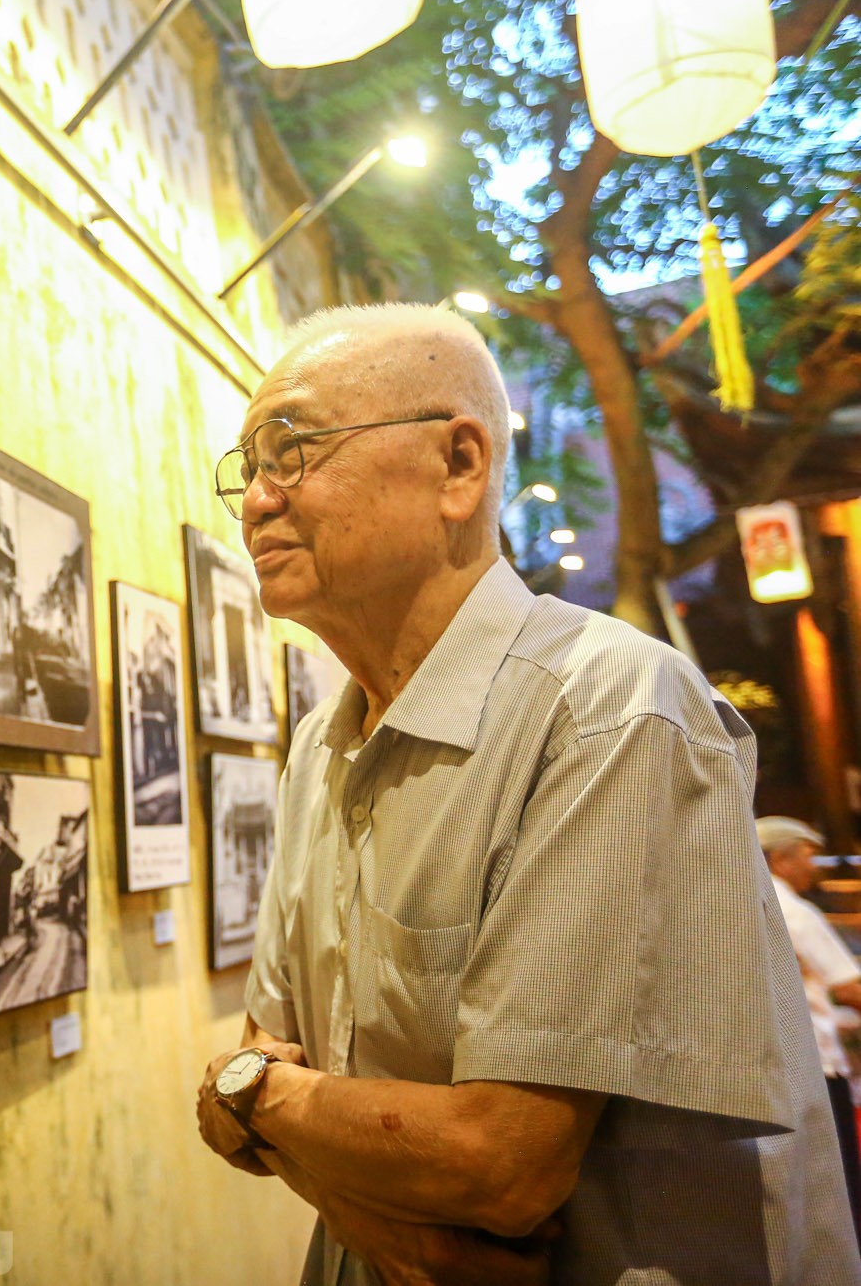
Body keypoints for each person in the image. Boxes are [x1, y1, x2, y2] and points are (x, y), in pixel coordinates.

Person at [191, 304, 858, 1284]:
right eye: (245, 468)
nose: (254, 501)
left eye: (288, 450)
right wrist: (336, 1184)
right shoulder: (320, 747)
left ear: (460, 467)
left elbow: (498, 1164)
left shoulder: (609, 708)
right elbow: (261, 1072)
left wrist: (249, 1093)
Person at [761, 815, 861, 1236]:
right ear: (781, 860)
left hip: (774, 1070)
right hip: (816, 1063)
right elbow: (850, 986)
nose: (813, 867)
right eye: (808, 856)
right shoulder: (795, 909)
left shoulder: (740, 902)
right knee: (840, 1187)